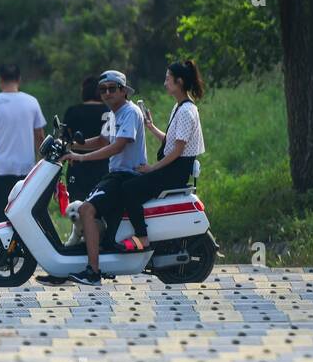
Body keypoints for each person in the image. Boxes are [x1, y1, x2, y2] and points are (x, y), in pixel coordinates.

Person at [57, 70, 146, 285]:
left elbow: (117, 146)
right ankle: (84, 262)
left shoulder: (130, 112)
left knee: (86, 209)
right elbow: (102, 140)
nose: (107, 93)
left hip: (125, 176)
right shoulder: (115, 113)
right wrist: (70, 145)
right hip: (115, 175)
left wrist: (81, 158)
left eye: (112, 89)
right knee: (90, 211)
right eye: (103, 90)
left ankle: (93, 271)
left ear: (123, 91)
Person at [121, 60, 207, 252]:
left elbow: (177, 151)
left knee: (129, 189)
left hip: (175, 172)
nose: (165, 83)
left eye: (168, 79)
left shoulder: (186, 110)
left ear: (180, 82)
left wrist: (152, 168)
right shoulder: (180, 107)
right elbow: (171, 141)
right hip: (172, 168)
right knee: (130, 181)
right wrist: (151, 127)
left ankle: (142, 237)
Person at [0, 64, 46, 223]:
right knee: (25, 213)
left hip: (1, 168)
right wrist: (41, 164)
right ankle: (24, 246)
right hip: (26, 168)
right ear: (19, 79)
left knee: (3, 215)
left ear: (0, 80)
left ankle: (4, 246)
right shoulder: (31, 102)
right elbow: (40, 136)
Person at [61, 75, 109, 204]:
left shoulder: (72, 112)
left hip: (77, 167)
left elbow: (65, 140)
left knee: (77, 209)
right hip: (104, 166)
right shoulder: (109, 111)